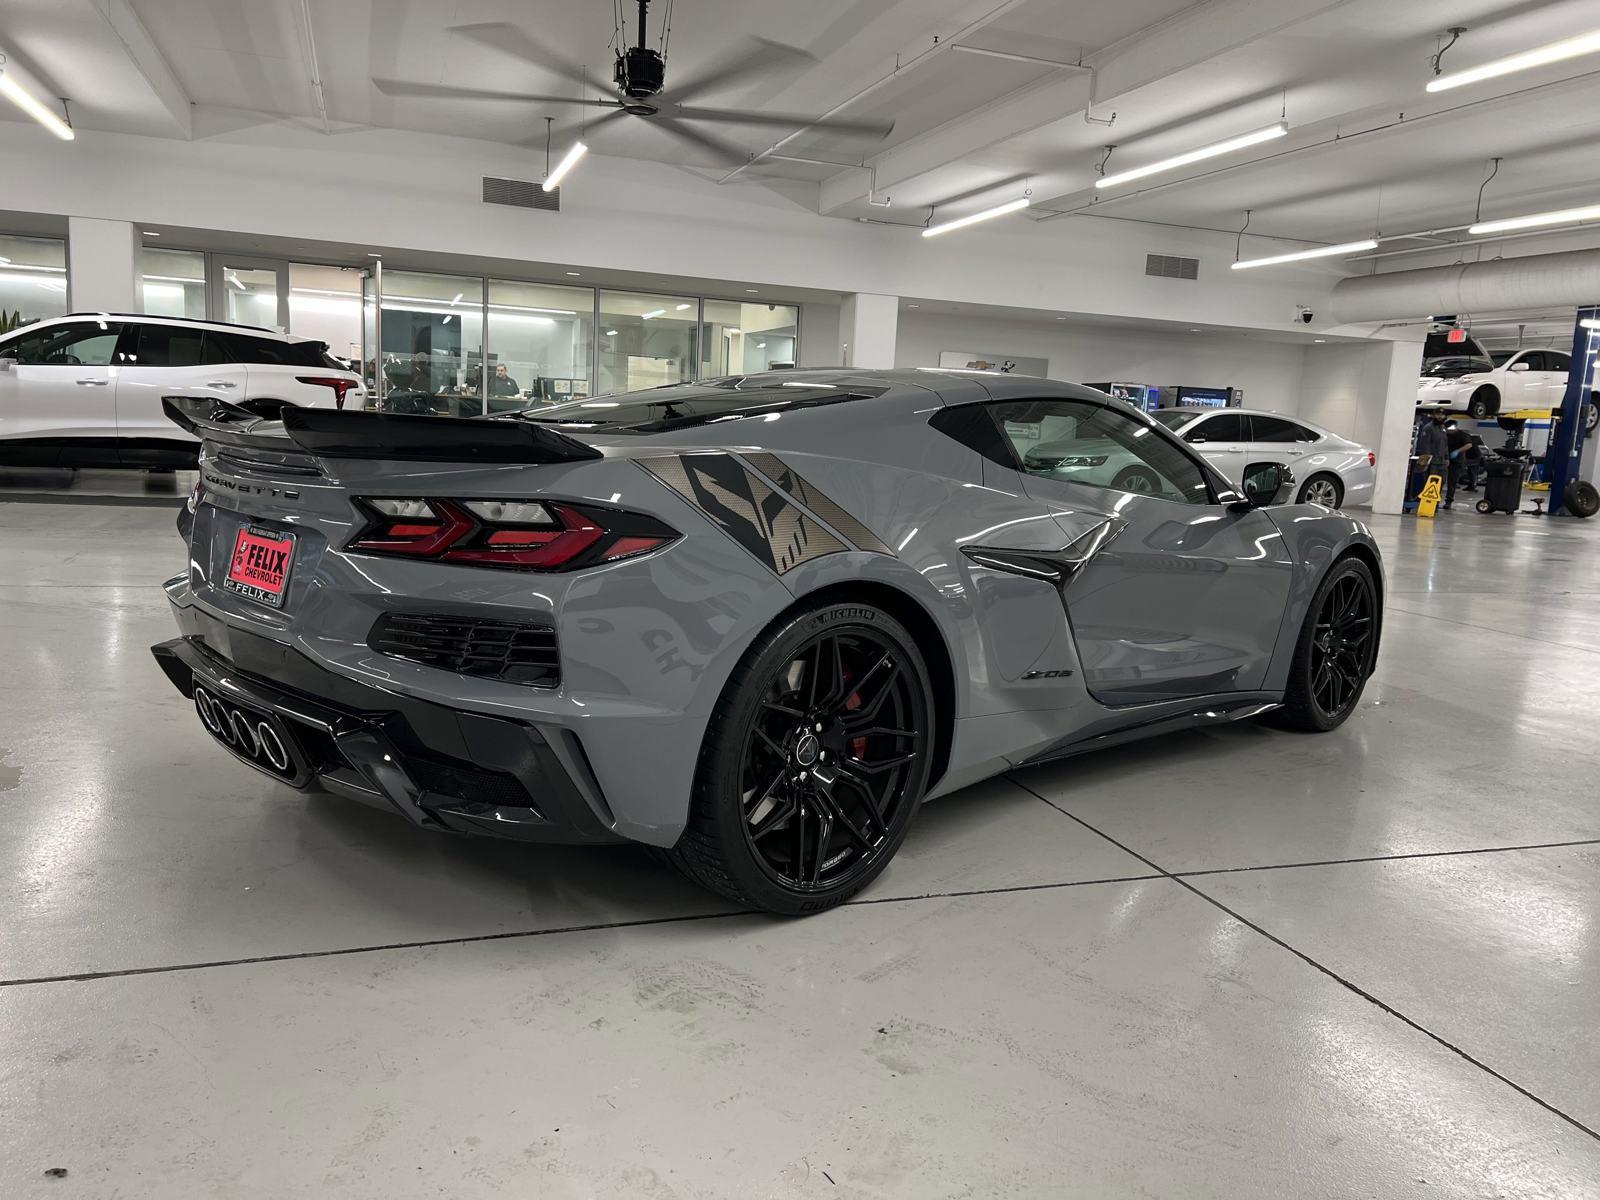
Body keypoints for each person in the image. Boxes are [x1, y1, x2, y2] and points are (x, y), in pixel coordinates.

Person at [1414, 408, 1450, 506]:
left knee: (1441, 483)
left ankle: (1435, 504)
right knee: (1430, 484)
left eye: (1442, 415)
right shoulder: (1428, 428)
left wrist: (1447, 458)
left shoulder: (1442, 428)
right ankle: (1427, 503)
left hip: (1442, 462)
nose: (1440, 416)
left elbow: (1445, 444)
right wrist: (1428, 460)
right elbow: (1425, 445)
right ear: (1433, 415)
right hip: (1432, 462)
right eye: (1438, 414)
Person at [1443, 418, 1473, 509]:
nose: (1449, 431)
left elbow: (1469, 445)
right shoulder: (1444, 434)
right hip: (1443, 459)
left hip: (1456, 461)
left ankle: (1449, 501)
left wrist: (1458, 451)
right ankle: (1434, 500)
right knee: (1439, 480)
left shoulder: (1462, 435)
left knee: (1452, 482)